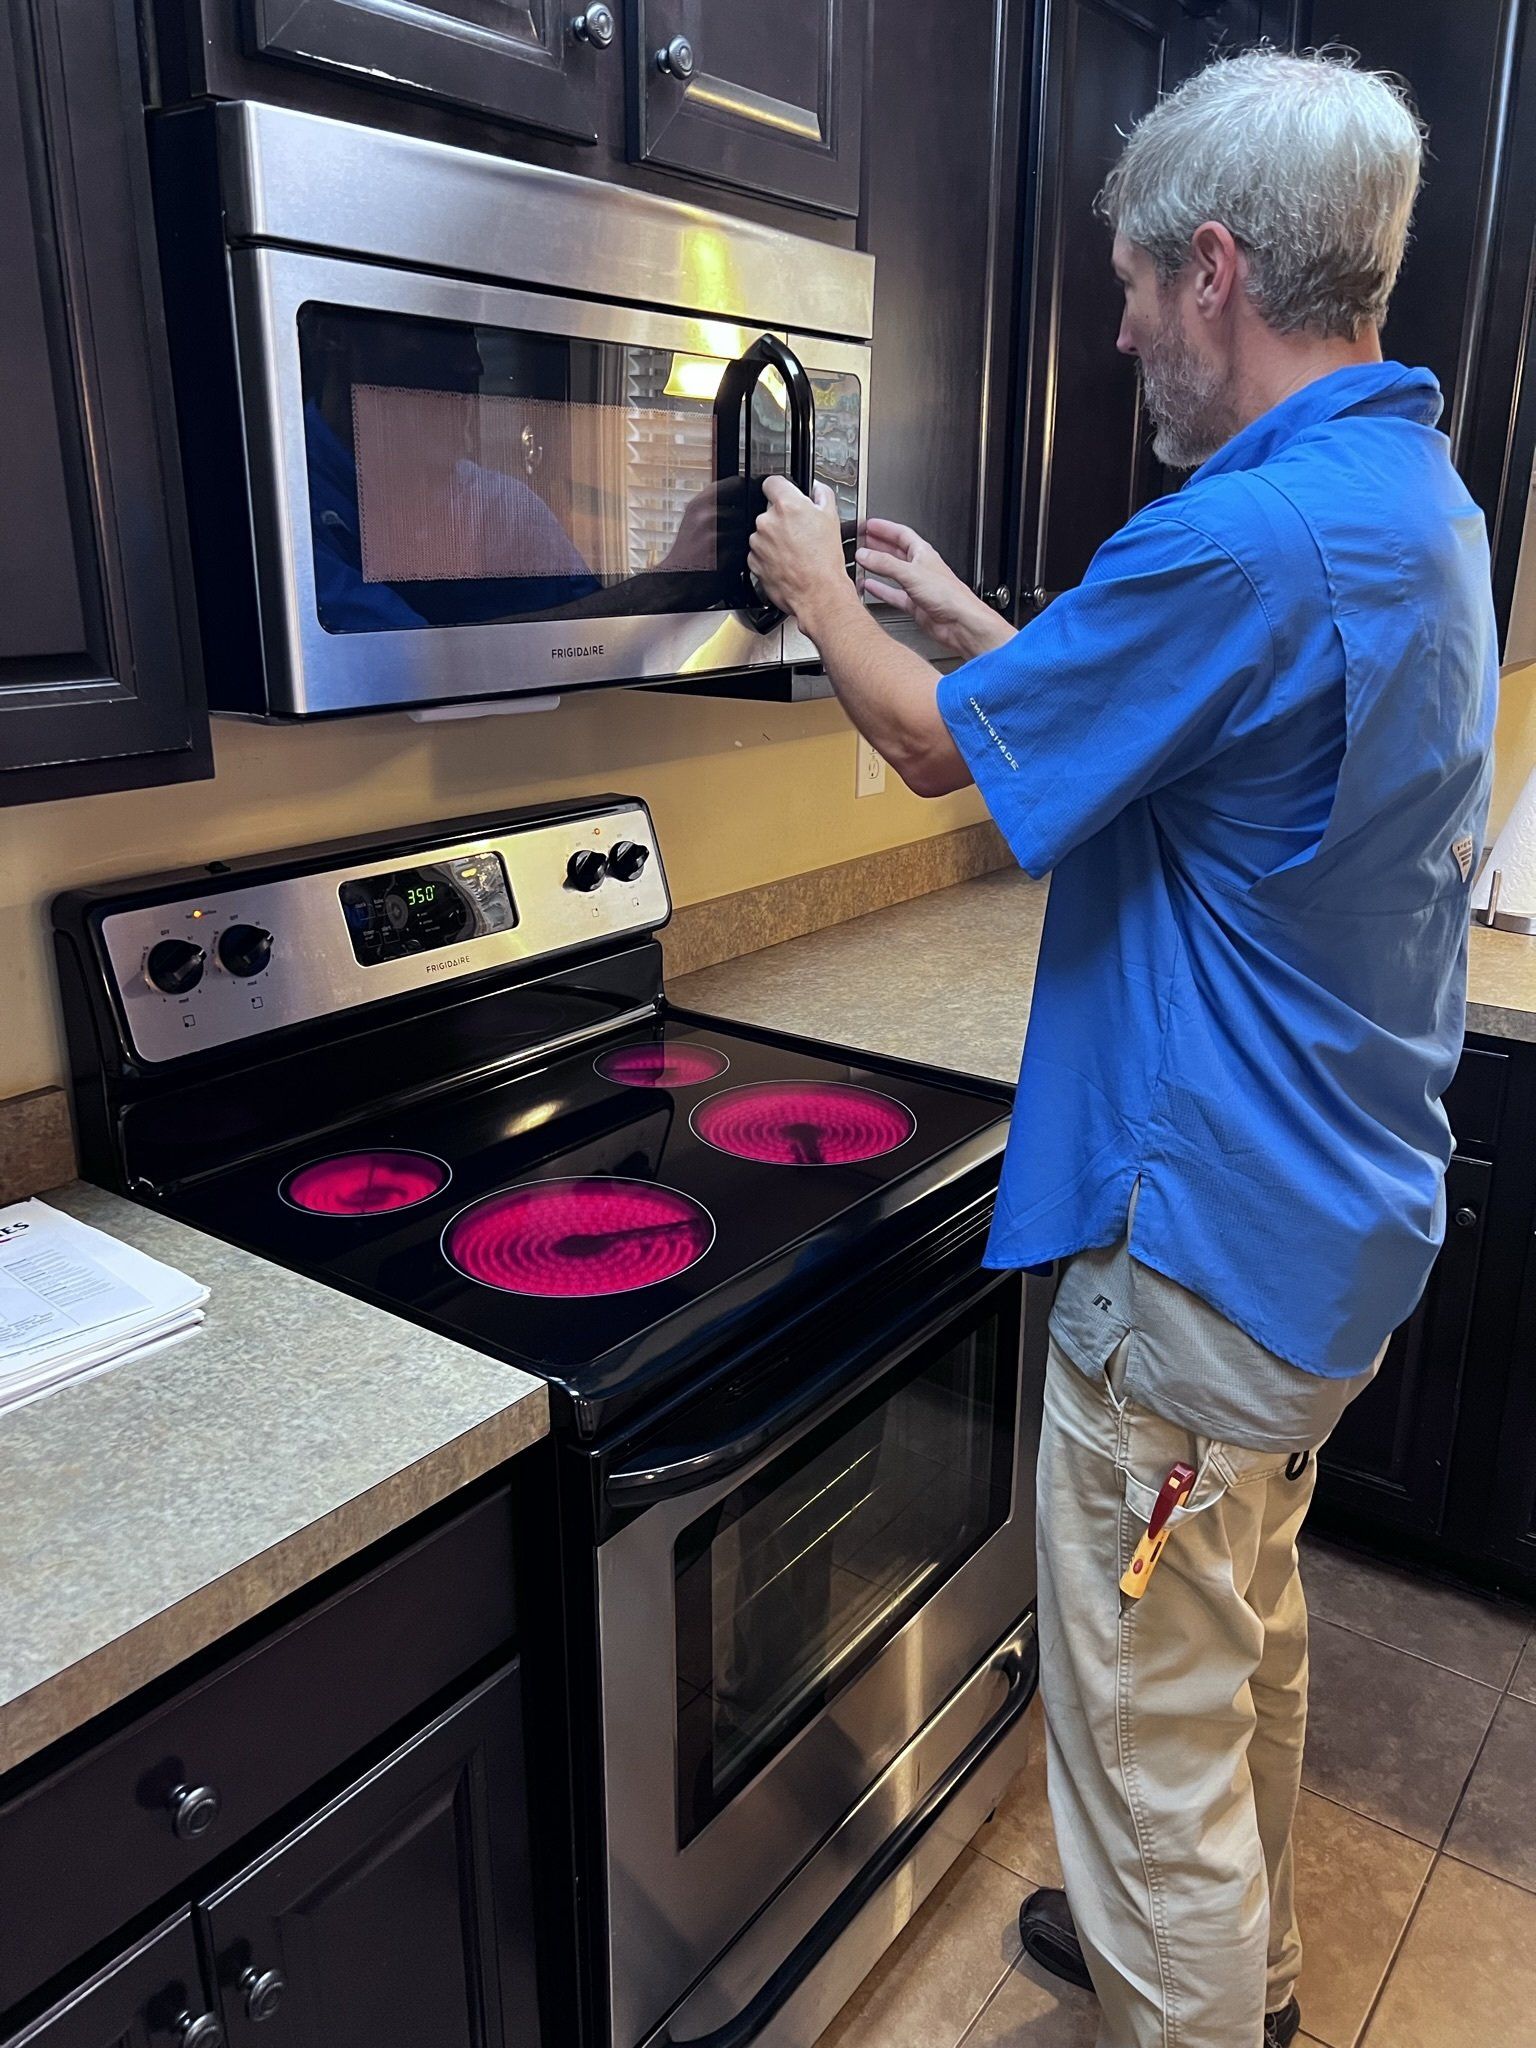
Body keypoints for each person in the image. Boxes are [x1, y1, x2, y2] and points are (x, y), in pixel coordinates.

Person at [745, 47, 1496, 2048]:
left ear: (1221, 269)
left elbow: (923, 750)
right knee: (1229, 1627)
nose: (1120, 328)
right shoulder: (1401, 498)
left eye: (1138, 286)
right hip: (1326, 1255)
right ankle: (1237, 1980)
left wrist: (819, 585)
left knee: (1144, 1710)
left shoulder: (1235, 542)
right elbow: (1186, 718)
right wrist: (987, 620)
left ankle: (1187, 1967)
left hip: (1195, 1290)